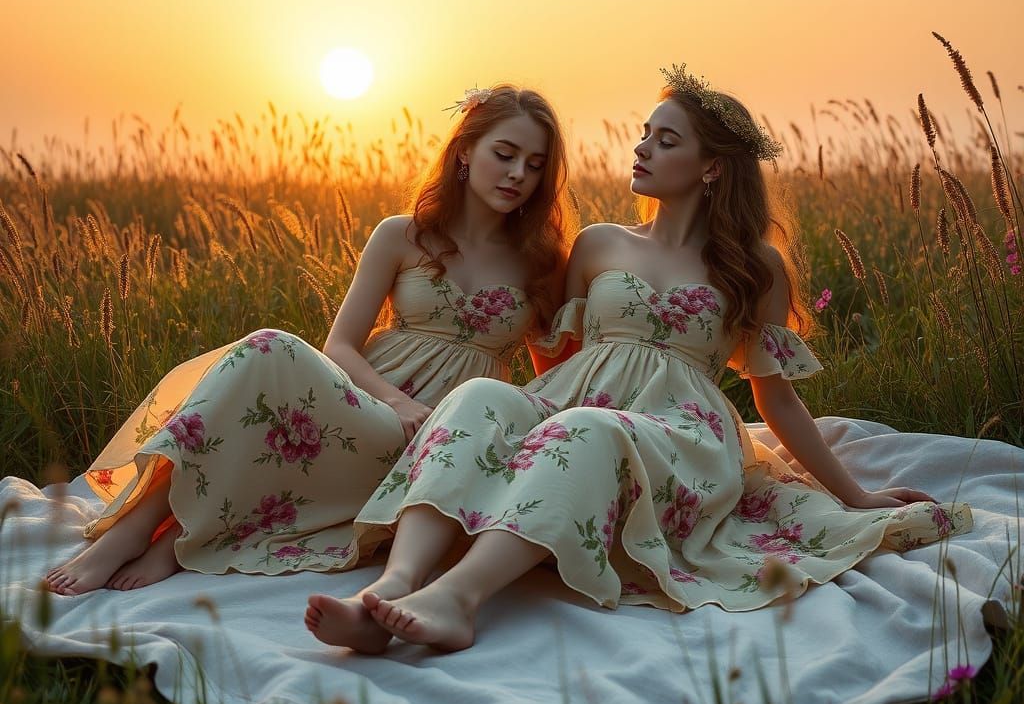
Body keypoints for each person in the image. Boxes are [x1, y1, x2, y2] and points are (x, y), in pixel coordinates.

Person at [305, 64, 973, 653]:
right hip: (584, 412)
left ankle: (457, 600)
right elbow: (555, 360)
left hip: (680, 438)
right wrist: (517, 430)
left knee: (586, 426)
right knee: (482, 398)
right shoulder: (598, 245)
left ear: (711, 167)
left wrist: (854, 495)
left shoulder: (753, 266)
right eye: (645, 133)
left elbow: (777, 397)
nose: (642, 146)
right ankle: (392, 586)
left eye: (665, 138)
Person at [45, 84, 575, 596]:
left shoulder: (541, 260)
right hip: (368, 404)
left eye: (534, 165)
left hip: (448, 435)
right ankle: (139, 529)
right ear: (464, 150)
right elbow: (340, 344)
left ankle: (180, 543)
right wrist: (394, 401)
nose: (517, 175)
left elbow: (552, 366)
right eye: (504, 154)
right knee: (269, 349)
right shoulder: (403, 234)